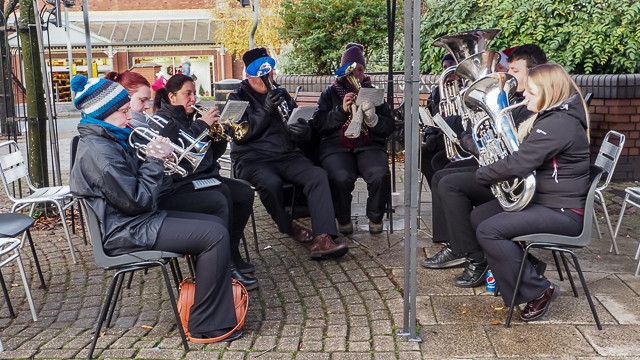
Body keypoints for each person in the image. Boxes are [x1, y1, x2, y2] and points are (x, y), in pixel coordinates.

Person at [68, 75, 242, 341]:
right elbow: (138, 201)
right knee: (214, 235)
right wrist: (153, 161)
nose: (130, 117)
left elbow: (135, 189)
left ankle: (210, 306)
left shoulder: (108, 138)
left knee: (216, 224)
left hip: (132, 219)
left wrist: (158, 160)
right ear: (103, 113)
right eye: (124, 111)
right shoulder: (101, 152)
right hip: (125, 229)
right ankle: (205, 325)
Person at [421, 44, 549, 289]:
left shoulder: (533, 106)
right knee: (442, 175)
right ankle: (459, 246)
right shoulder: (520, 99)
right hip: (509, 173)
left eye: (514, 70)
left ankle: (476, 260)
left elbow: (519, 153)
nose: (507, 76)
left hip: (521, 183)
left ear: (535, 72)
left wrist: (477, 148)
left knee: (449, 183)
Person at [471, 63, 590, 321]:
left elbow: (519, 163)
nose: (524, 96)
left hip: (564, 211)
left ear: (549, 92)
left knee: (489, 231)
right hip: (549, 201)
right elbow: (522, 158)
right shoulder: (555, 117)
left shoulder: (560, 123)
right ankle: (525, 270)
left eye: (532, 92)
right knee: (480, 216)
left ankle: (538, 291)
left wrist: (482, 174)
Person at [228, 47, 348, 260]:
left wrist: (303, 131)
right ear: (248, 75)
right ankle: (287, 226)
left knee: (317, 176)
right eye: (261, 75)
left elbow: (296, 122)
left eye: (270, 73)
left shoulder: (281, 93)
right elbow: (239, 134)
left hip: (285, 155)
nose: (267, 79)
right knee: (270, 182)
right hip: (253, 159)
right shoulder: (236, 97)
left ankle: (323, 238)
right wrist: (264, 111)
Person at [152, 74, 258, 289]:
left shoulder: (191, 118)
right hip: (180, 183)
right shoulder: (162, 120)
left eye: (194, 93)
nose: (194, 98)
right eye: (187, 94)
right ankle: (223, 264)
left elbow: (210, 156)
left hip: (203, 177)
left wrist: (218, 135)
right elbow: (178, 151)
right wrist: (202, 125)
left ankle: (231, 249)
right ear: (172, 97)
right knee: (220, 196)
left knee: (244, 192)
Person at [314, 43, 394, 235]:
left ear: (364, 70)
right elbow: (320, 125)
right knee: (340, 177)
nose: (356, 74)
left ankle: (375, 216)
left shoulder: (374, 93)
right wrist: (341, 111)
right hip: (337, 146)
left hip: (368, 145)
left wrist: (373, 119)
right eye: (351, 69)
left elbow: (389, 127)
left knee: (380, 173)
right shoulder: (330, 93)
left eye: (360, 69)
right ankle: (343, 217)